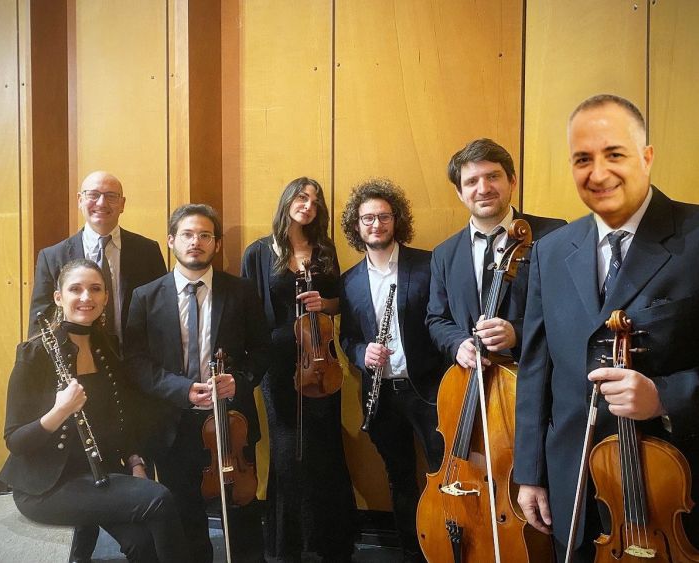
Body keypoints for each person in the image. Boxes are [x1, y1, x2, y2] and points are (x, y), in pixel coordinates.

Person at [514, 94, 699, 561]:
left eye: (614, 154)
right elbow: (536, 370)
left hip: (670, 494)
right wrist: (530, 472)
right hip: (572, 486)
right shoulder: (551, 250)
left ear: (646, 156)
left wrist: (666, 396)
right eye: (583, 159)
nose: (598, 174)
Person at [0, 259, 190, 563]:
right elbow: (15, 441)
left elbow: (123, 416)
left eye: (95, 289)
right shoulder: (33, 354)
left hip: (98, 475)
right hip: (47, 487)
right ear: (58, 297)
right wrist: (60, 410)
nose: (86, 297)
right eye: (75, 289)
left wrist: (135, 461)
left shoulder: (107, 347)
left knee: (142, 542)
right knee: (159, 498)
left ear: (105, 297)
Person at [124, 204, 270, 563]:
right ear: (171, 240)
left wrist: (240, 381)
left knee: (241, 512)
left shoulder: (241, 291)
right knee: (184, 514)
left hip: (230, 422)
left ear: (216, 244)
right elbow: (136, 363)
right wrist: (181, 389)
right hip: (172, 423)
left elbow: (263, 350)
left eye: (205, 235)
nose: (196, 242)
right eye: (187, 234)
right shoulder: (145, 296)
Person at [241, 177, 358, 562]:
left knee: (325, 448)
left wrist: (322, 304)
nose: (308, 205)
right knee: (287, 450)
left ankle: (329, 543)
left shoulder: (324, 249)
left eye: (315, 200)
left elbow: (339, 302)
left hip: (321, 360)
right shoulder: (258, 252)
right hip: (278, 364)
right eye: (302, 197)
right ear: (287, 200)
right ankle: (286, 545)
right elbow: (247, 309)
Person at [338, 179, 445, 562]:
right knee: (400, 478)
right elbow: (347, 338)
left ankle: (448, 548)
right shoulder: (349, 282)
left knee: (444, 473)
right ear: (357, 225)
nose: (376, 224)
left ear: (396, 220)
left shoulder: (428, 264)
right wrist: (362, 352)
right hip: (382, 395)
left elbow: (444, 323)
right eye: (368, 218)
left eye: (384, 216)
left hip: (428, 391)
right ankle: (413, 552)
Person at [426, 138, 565, 369]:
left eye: (493, 176)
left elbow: (569, 310)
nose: (483, 189)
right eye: (471, 181)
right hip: (473, 379)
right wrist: (457, 344)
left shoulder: (553, 235)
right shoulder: (444, 254)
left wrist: (517, 332)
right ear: (460, 192)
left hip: (537, 377)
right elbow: (437, 319)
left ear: (512, 181)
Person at [28, 170, 166, 345]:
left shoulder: (147, 251)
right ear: (80, 200)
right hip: (76, 357)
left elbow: (161, 311)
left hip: (135, 358)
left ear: (122, 204)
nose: (101, 203)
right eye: (93, 195)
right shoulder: (52, 257)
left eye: (111, 196)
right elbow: (40, 321)